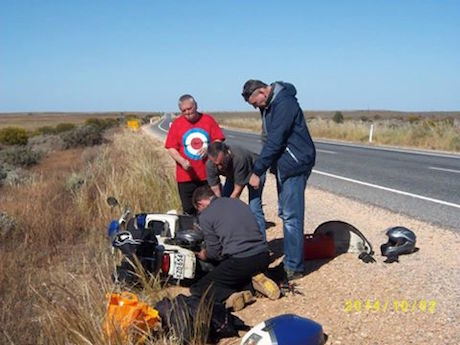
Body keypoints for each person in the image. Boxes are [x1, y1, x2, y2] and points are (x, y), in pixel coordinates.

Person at [241, 79, 316, 280]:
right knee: (287, 214)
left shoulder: (284, 103)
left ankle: (293, 268)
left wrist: (258, 171)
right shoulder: (271, 103)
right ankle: (291, 261)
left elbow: (275, 140)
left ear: (262, 92)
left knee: (292, 217)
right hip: (285, 166)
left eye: (255, 103)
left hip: (295, 164)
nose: (256, 107)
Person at [190, 185, 280, 311]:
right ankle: (255, 282)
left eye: (198, 210)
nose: (200, 213)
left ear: (200, 204)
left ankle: (231, 297)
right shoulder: (237, 202)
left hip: (241, 261)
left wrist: (203, 254)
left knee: (199, 287)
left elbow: (214, 253)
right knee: (233, 275)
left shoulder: (206, 216)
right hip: (263, 256)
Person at [165, 94, 225, 216]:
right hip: (186, 176)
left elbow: (219, 139)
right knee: (189, 210)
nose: (187, 112)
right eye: (184, 111)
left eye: (190, 108)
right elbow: (171, 148)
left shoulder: (208, 120)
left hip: (208, 174)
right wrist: (181, 161)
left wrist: (209, 149)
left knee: (212, 208)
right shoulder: (176, 124)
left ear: (196, 106)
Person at [206, 141, 267, 239]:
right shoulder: (210, 164)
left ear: (227, 153)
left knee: (254, 208)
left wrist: (228, 206)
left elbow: (237, 191)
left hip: (254, 171)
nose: (219, 167)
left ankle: (261, 243)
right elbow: (215, 190)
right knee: (222, 204)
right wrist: (219, 206)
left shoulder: (239, 157)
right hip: (233, 175)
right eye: (216, 164)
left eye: (221, 163)